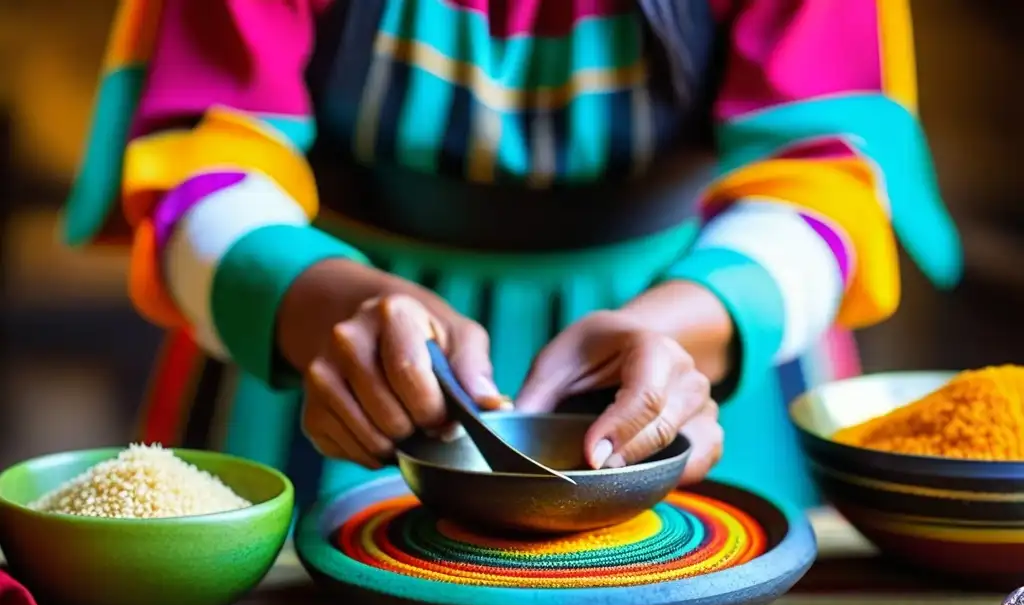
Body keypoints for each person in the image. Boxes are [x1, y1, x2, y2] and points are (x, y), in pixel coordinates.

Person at [64, 0, 960, 513]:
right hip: (323, 374)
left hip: (700, 366)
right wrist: (322, 305)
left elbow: (829, 178)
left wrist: (691, 325)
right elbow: (194, 169)